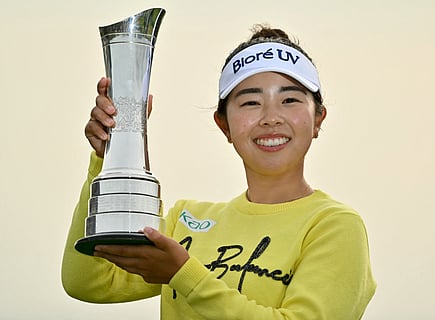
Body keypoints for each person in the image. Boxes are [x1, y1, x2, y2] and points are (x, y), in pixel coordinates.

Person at [62, 25, 376, 319]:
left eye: (290, 99)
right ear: (223, 124)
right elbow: (88, 282)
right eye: (251, 102)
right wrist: (110, 158)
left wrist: (182, 274)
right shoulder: (185, 221)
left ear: (318, 118)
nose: (271, 118)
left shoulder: (335, 225)